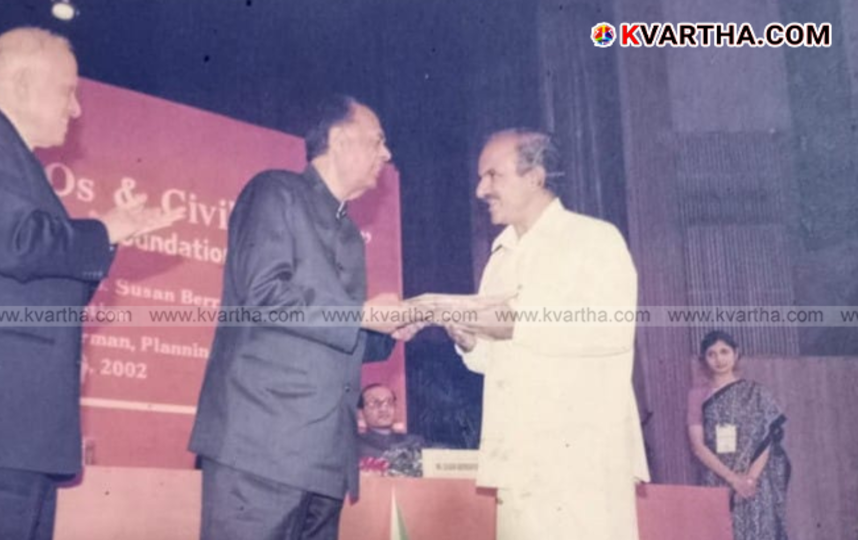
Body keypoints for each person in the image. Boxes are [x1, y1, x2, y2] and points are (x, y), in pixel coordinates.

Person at [0, 27, 181, 540]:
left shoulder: (10, 157)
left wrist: (108, 237)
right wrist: (104, 230)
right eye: (68, 90)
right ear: (23, 82)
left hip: (12, 434)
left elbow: (55, 282)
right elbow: (14, 242)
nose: (76, 109)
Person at [189, 95, 415, 540]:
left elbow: (331, 334)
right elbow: (264, 292)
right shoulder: (275, 191)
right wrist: (361, 313)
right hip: (262, 447)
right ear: (339, 139)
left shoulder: (349, 232)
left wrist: (388, 329)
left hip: (325, 457)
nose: (386, 155)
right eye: (378, 141)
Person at [425, 129, 649, 539]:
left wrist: (510, 322)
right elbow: (497, 357)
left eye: (493, 175)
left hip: (580, 459)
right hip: (517, 458)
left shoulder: (593, 239)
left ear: (536, 177)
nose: (480, 189)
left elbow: (610, 330)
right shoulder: (501, 255)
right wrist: (469, 339)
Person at [687, 330, 790, 540]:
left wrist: (749, 479)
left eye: (724, 351)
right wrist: (733, 479)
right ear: (703, 359)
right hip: (717, 481)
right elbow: (698, 446)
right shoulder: (697, 397)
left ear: (736, 354)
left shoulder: (756, 392)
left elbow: (766, 441)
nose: (719, 359)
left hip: (755, 485)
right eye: (711, 354)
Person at [357, 383, 425, 477]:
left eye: (389, 402)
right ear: (361, 413)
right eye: (375, 403)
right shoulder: (354, 446)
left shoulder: (414, 443)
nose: (384, 409)